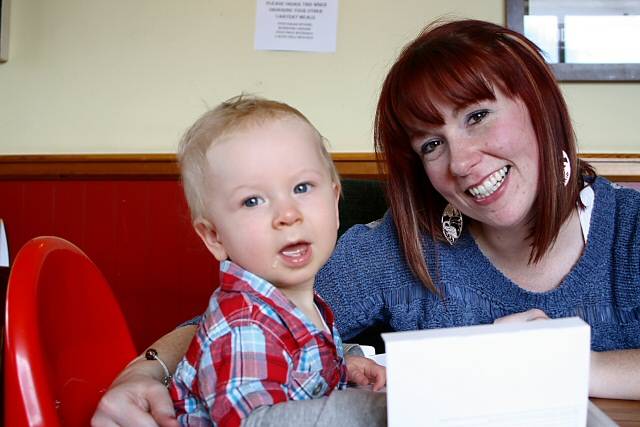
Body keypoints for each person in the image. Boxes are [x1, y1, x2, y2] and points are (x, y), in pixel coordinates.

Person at [92, 18, 640, 426]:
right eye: (432, 143)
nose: (463, 161)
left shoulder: (630, 230)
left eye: (477, 116)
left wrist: (558, 361)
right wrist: (143, 372)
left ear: (538, 103)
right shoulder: (400, 250)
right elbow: (245, 318)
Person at [95, 95, 387, 427]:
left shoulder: (296, 305)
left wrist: (343, 365)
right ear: (215, 237)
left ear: (335, 204)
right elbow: (256, 421)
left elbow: (293, 366)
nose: (287, 214)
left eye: (302, 187)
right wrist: (370, 411)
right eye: (252, 201)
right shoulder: (243, 326)